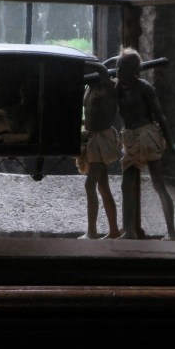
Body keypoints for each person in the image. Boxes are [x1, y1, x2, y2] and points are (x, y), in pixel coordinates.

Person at [116, 47, 175, 240]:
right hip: (130, 138)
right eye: (117, 67)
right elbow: (104, 75)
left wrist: (172, 142)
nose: (118, 71)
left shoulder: (144, 88)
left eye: (121, 68)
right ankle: (130, 230)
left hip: (147, 136)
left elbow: (160, 116)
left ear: (132, 70)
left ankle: (171, 232)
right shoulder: (117, 88)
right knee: (126, 185)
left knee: (158, 184)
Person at [76, 59, 120, 239]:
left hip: (103, 140)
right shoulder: (89, 87)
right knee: (103, 187)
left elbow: (102, 69)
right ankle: (114, 230)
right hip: (92, 138)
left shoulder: (107, 87)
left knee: (90, 185)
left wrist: (87, 62)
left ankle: (92, 231)